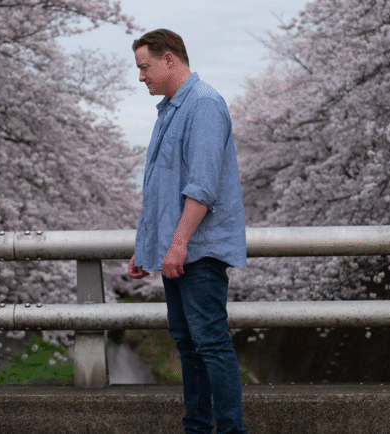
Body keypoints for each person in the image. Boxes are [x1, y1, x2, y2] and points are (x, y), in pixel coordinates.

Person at [128, 29, 248, 434]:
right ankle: (196, 427)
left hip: (198, 250)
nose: (141, 76)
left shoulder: (204, 104)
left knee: (211, 343)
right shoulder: (171, 109)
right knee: (188, 344)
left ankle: (231, 430)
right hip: (178, 251)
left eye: (144, 67)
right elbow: (161, 189)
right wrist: (145, 247)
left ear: (169, 60)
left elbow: (202, 187)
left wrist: (177, 245)